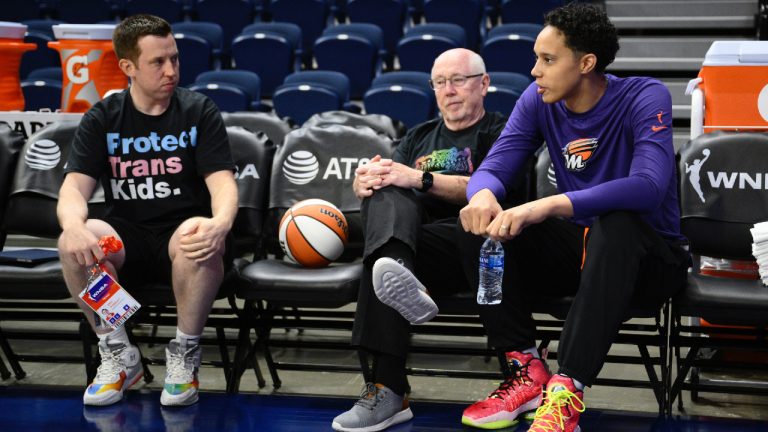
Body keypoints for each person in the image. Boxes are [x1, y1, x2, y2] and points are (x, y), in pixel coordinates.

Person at [457, 3, 690, 431]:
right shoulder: (539, 100)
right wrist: (484, 194)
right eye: (536, 58)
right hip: (583, 255)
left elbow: (648, 186)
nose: (534, 71)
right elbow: (496, 164)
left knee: (616, 221)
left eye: (548, 60)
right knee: (485, 223)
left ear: (586, 63)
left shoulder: (645, 96)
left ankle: (567, 393)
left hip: (651, 261)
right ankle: (526, 370)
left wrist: (547, 204)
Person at [331, 48, 517, 432]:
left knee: (382, 258)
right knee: (384, 233)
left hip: (481, 247)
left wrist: (419, 178)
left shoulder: (502, 131)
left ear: (484, 84)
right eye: (439, 82)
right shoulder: (418, 137)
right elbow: (389, 184)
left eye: (458, 80)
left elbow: (490, 190)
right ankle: (397, 274)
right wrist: (364, 183)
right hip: (418, 249)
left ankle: (389, 386)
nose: (449, 90)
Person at [57, 14, 238, 408]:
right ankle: (119, 354)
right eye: (158, 62)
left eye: (174, 58)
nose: (171, 70)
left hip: (180, 237)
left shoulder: (197, 110)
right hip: (127, 236)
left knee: (196, 232)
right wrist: (72, 226)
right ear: (128, 67)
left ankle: (185, 355)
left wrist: (221, 222)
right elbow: (74, 187)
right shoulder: (104, 117)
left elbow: (222, 182)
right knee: (78, 241)